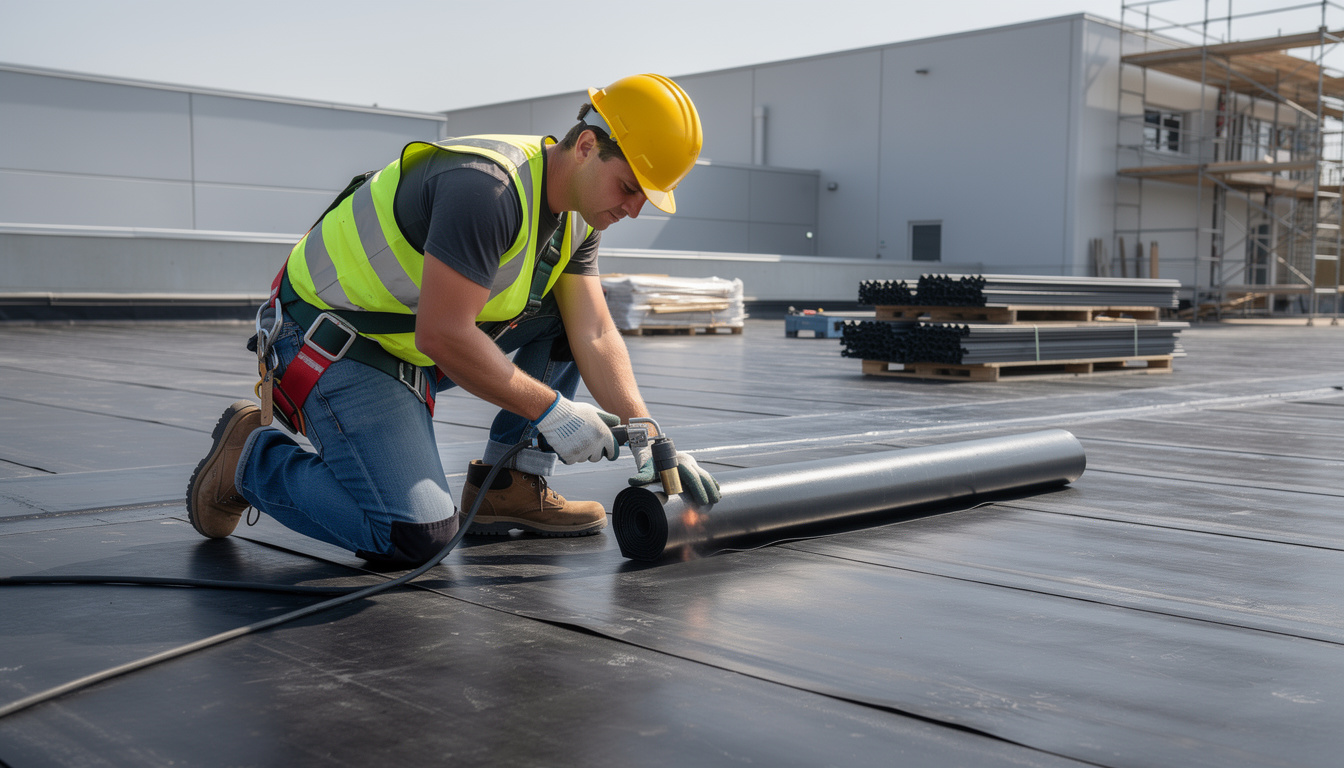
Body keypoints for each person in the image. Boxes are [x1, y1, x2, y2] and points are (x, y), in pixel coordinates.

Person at [185, 74, 720, 566]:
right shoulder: (487, 188)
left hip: (408, 340)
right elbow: (442, 333)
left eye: (646, 198)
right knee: (412, 536)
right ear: (586, 146)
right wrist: (554, 410)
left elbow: (594, 332)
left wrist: (646, 431)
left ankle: (510, 482)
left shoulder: (580, 217)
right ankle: (248, 463)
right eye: (629, 187)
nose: (634, 209)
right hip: (333, 344)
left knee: (563, 311)